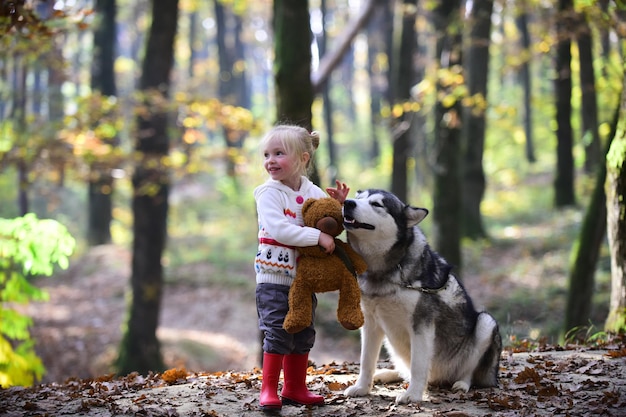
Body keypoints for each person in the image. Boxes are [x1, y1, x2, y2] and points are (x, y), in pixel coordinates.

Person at [253, 124, 349, 411]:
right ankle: (269, 389)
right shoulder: (268, 192)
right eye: (267, 154)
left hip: (304, 279)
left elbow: (327, 222)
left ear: (303, 158)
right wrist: (315, 236)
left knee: (304, 331)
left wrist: (338, 209)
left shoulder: (312, 191)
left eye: (279, 153)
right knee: (278, 331)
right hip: (274, 277)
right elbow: (279, 229)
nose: (270, 160)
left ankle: (295, 387)